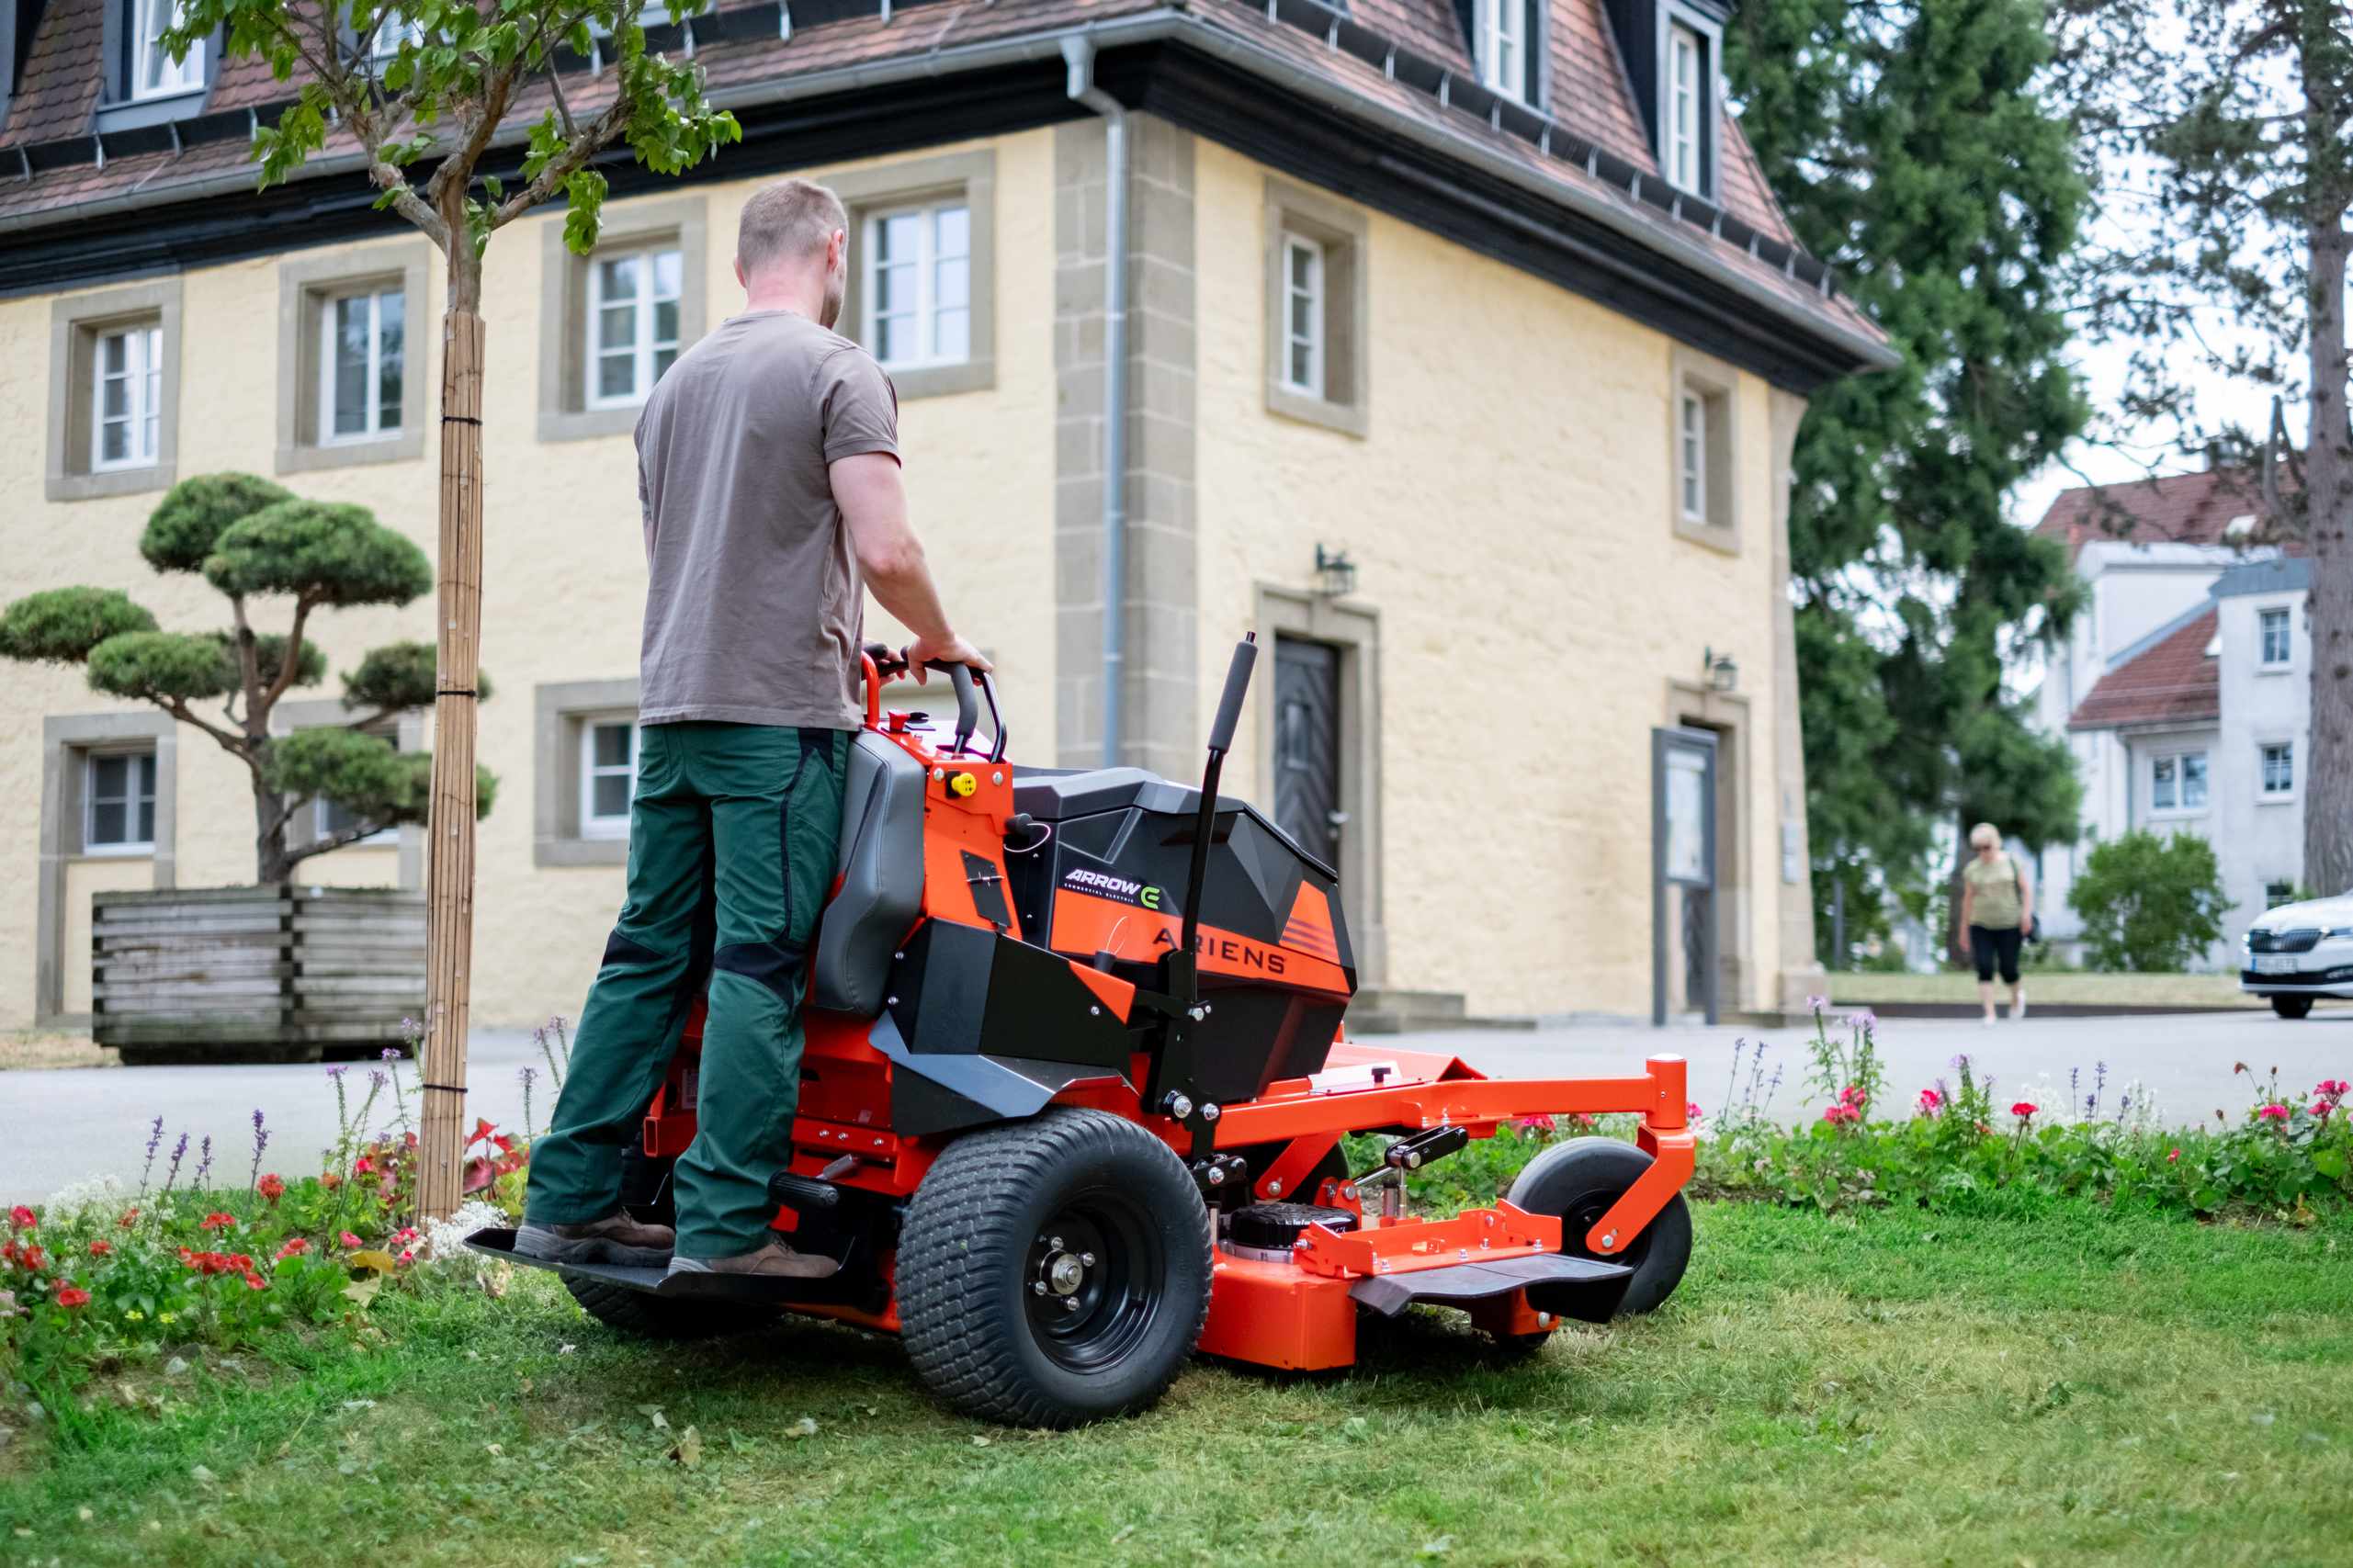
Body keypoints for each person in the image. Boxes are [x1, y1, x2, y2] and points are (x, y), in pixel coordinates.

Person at [518, 178, 990, 1280]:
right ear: (834, 250)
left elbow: (694, 563)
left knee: (645, 954)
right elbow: (886, 551)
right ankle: (727, 1231)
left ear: (740, 266)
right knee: (756, 963)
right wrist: (939, 640)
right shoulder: (838, 370)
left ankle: (569, 1203)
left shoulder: (673, 386)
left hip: (671, 713)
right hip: (774, 728)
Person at [1956, 822, 2033, 1026]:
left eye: (1986, 847)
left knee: (2008, 969)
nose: (1983, 852)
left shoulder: (2012, 862)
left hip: (2010, 924)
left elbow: (2026, 890)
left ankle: (2016, 997)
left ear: (1996, 843)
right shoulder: (1972, 869)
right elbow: (1967, 900)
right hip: (1981, 924)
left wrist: (2026, 915)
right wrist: (1963, 929)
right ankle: (1990, 1013)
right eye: (1977, 848)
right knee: (1984, 966)